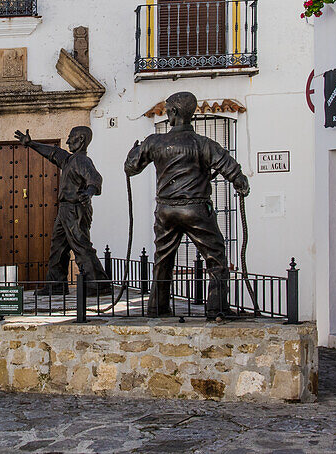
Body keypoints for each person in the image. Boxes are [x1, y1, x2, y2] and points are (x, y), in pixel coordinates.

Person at [124, 91, 250, 319]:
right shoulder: (203, 143)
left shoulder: (155, 142)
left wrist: (134, 150)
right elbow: (229, 166)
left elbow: (130, 167)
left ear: (173, 112)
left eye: (168, 109)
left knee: (162, 259)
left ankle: (157, 307)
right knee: (216, 258)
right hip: (196, 209)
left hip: (166, 211)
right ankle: (217, 308)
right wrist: (241, 184)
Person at [14, 126, 110, 294]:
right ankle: (56, 285)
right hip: (65, 209)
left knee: (81, 246)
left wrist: (89, 192)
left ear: (80, 140)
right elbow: (52, 153)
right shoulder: (69, 160)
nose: (67, 141)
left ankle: (98, 284)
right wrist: (31, 144)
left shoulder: (81, 161)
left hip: (75, 208)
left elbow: (95, 178)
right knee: (58, 247)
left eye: (70, 137)